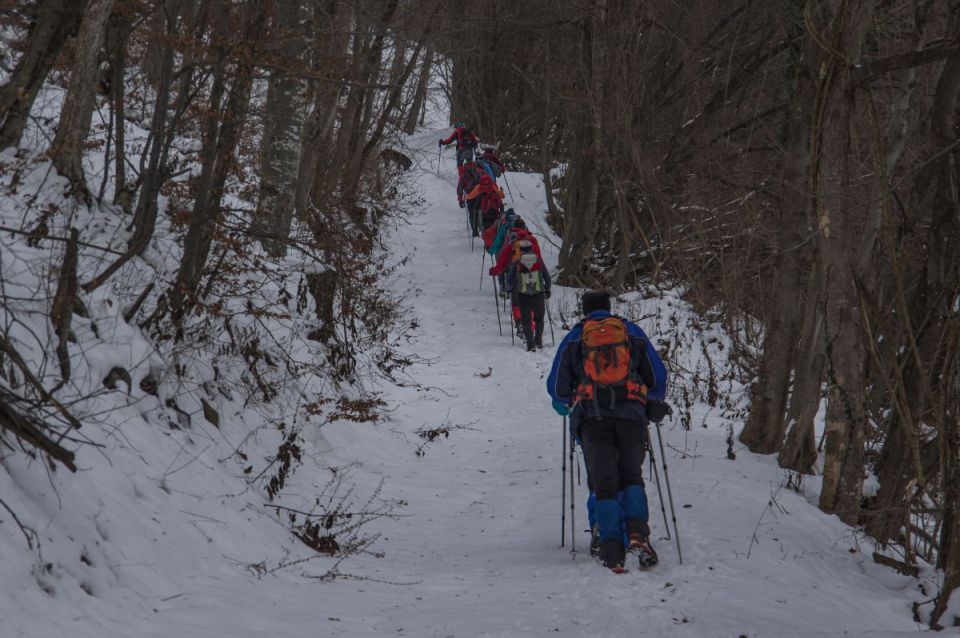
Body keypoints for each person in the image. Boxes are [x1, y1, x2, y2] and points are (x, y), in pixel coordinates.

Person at [546, 290, 668, 573]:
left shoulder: (576, 337)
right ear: (609, 308)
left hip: (593, 419)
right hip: (631, 417)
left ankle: (611, 547)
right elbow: (658, 379)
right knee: (631, 476)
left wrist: (569, 401)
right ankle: (638, 533)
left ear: (584, 310)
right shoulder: (630, 332)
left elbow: (556, 388)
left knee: (604, 483)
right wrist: (647, 399)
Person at [507, 239, 551, 351]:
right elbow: (547, 277)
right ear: (531, 249)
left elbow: (510, 280)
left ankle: (531, 345)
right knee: (539, 319)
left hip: (523, 295)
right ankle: (538, 341)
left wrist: (511, 289)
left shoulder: (517, 262)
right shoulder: (538, 260)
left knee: (526, 320)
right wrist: (547, 289)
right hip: (538, 293)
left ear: (520, 250)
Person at [457, 161, 484, 236]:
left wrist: (460, 199)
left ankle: (475, 230)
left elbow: (460, 186)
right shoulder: (479, 171)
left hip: (470, 196)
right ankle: (483, 228)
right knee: (482, 212)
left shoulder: (464, 173)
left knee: (472, 214)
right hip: (480, 194)